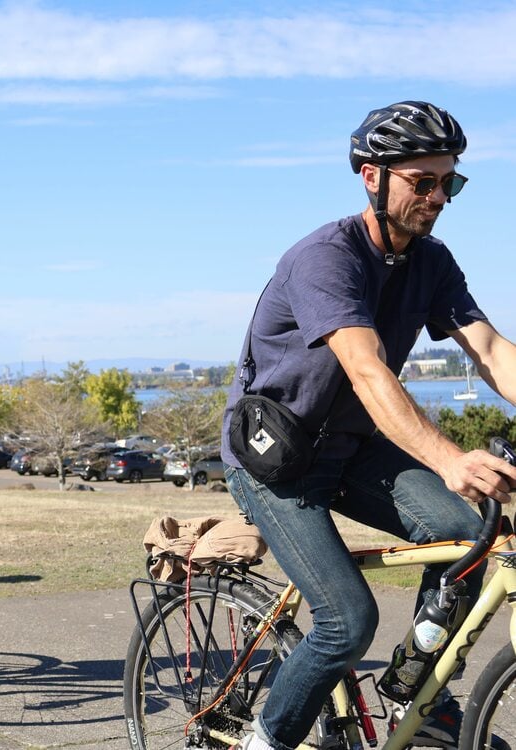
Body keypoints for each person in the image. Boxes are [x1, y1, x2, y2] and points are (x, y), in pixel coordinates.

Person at [220, 101, 516, 750]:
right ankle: (264, 741)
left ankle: (420, 694)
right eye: (423, 181)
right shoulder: (325, 258)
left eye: (449, 182)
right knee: (345, 622)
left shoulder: (430, 262)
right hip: (277, 462)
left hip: (351, 451)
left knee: (471, 539)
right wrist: (446, 458)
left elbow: (491, 352)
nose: (438, 196)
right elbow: (366, 371)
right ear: (370, 175)